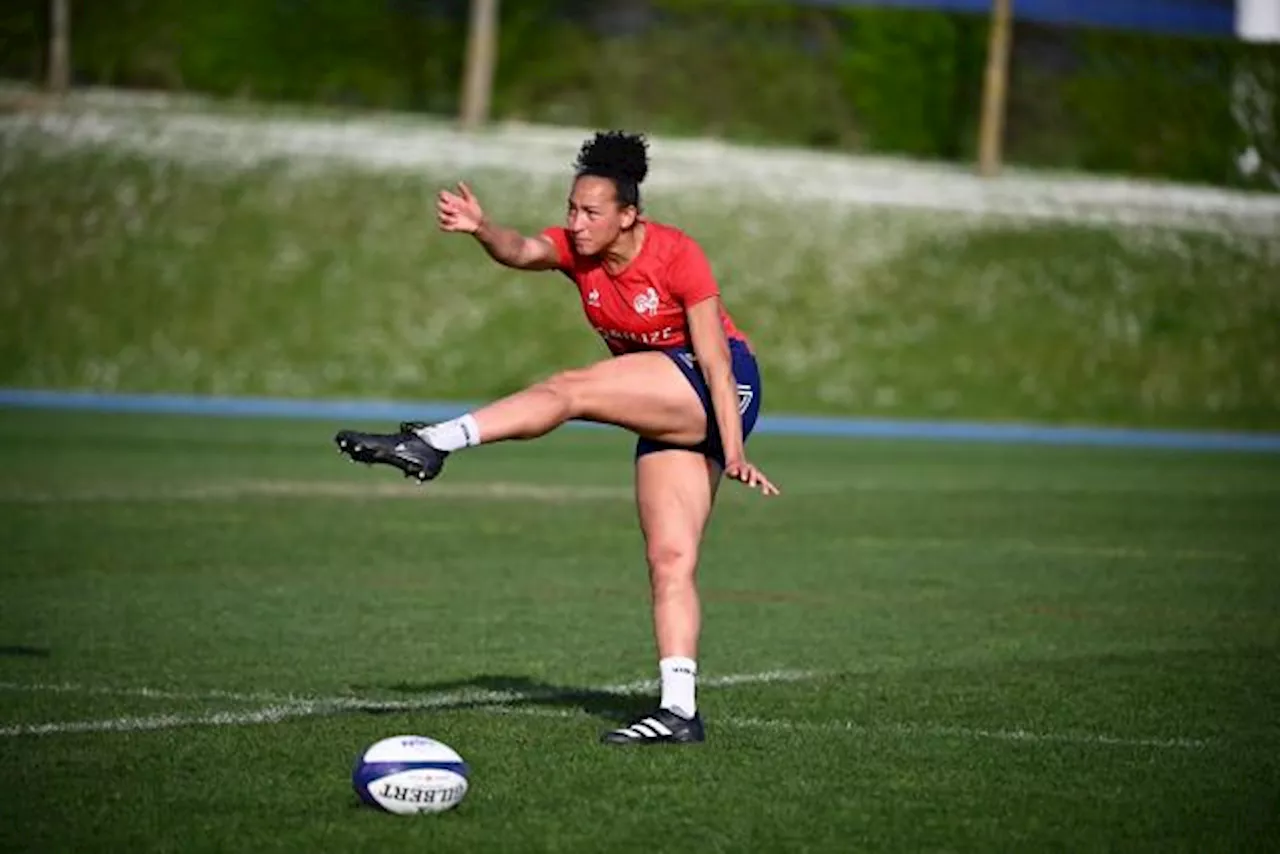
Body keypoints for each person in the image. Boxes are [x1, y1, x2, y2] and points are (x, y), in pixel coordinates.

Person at [334, 130, 778, 746]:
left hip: (719, 389)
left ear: (629, 216)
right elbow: (519, 250)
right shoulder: (578, 251)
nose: (577, 221)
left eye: (592, 212)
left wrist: (733, 452)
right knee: (669, 561)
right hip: (664, 402)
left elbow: (717, 361)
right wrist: (481, 228)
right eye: (572, 208)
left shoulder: (678, 254)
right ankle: (680, 712)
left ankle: (435, 441)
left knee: (572, 388)